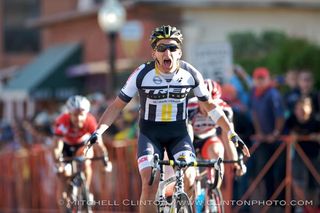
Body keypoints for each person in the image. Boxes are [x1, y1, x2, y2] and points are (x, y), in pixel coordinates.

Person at [87, 25, 250, 213]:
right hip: (150, 135)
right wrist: (98, 131)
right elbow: (117, 106)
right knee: (150, 182)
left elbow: (211, 106)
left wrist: (231, 134)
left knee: (189, 177)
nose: (168, 52)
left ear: (179, 52)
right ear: (154, 53)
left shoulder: (190, 73)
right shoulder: (142, 73)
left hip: (178, 135)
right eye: (162, 48)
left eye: (172, 48)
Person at [52, 95, 111, 202]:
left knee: (86, 160)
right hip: (65, 147)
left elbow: (99, 144)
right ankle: (65, 202)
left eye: (81, 114)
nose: (78, 118)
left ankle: (85, 191)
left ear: (86, 113)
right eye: (75, 115)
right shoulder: (62, 120)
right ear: (69, 113)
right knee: (63, 176)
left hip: (82, 145)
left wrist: (104, 160)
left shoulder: (90, 121)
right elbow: (57, 145)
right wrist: (57, 161)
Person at [187, 79, 246, 178]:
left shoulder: (225, 110)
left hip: (209, 138)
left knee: (217, 155)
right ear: (198, 99)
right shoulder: (189, 106)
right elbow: (187, 134)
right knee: (189, 176)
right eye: (204, 103)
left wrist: (234, 161)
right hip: (191, 138)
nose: (208, 108)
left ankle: (213, 189)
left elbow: (228, 137)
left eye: (213, 105)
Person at [249, 67, 286, 201]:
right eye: (257, 79)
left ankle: (284, 202)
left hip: (278, 140)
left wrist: (275, 134)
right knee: (264, 170)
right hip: (264, 139)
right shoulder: (254, 92)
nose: (259, 81)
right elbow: (254, 113)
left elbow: (280, 116)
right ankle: (270, 200)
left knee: (280, 171)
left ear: (267, 79)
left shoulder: (273, 93)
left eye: (262, 78)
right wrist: (259, 132)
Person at [285, 97, 320, 211]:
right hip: (298, 156)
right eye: (298, 109)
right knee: (298, 182)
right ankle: (299, 208)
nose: (300, 112)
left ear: (310, 109)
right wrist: (291, 136)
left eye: (303, 109)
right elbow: (284, 132)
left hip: (315, 156)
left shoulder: (316, 121)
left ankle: (312, 209)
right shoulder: (291, 120)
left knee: (314, 184)